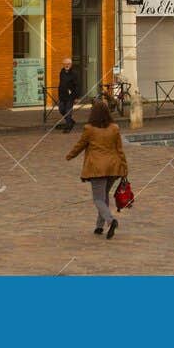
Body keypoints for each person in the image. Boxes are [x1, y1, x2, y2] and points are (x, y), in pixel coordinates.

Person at [66, 100, 128, 238]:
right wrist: (124, 167)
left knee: (98, 199)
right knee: (104, 195)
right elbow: (120, 150)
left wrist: (70, 156)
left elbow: (80, 145)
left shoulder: (89, 129)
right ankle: (99, 227)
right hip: (113, 167)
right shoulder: (114, 128)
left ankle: (111, 220)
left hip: (97, 168)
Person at [55, 58, 78, 132]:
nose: (66, 65)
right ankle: (71, 121)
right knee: (61, 109)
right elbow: (61, 83)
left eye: (68, 64)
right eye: (65, 64)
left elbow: (77, 85)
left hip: (70, 96)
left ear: (71, 64)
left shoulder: (74, 73)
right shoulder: (62, 72)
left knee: (68, 111)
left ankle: (68, 127)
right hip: (62, 95)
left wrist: (76, 96)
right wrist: (59, 94)